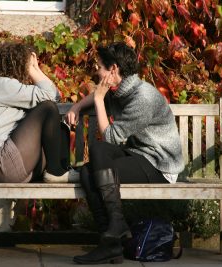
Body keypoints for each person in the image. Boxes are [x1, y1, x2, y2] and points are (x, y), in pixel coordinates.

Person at [66, 42, 184, 264]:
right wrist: (77, 107)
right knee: (86, 172)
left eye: (100, 66)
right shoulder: (120, 89)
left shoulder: (143, 98)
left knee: (99, 151)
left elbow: (110, 137)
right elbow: (94, 97)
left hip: (159, 166)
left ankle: (114, 230)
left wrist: (99, 100)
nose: (96, 71)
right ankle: (110, 242)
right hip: (138, 155)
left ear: (113, 70)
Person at [0, 42, 79, 184]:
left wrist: (34, 67)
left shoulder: (3, 88)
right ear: (19, 65)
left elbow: (54, 95)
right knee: (47, 108)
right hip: (1, 164)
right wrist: (33, 68)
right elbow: (51, 96)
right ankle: (55, 172)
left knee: (58, 127)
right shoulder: (1, 85)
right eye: (27, 64)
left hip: (8, 166)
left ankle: (62, 170)